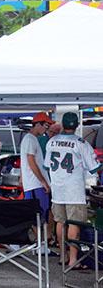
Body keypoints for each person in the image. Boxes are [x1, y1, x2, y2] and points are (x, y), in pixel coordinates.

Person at [44, 112, 101, 270]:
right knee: (74, 224)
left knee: (60, 222)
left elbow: (47, 165)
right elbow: (95, 166)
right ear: (76, 126)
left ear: (63, 125)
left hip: (57, 190)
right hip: (74, 191)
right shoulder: (80, 143)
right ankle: (73, 259)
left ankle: (63, 255)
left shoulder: (52, 141)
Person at [20, 112, 53, 223]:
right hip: (35, 185)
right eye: (46, 126)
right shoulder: (30, 139)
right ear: (38, 124)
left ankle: (42, 239)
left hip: (34, 184)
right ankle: (40, 239)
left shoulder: (32, 139)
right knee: (38, 216)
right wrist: (43, 181)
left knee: (41, 215)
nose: (46, 129)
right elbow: (31, 161)